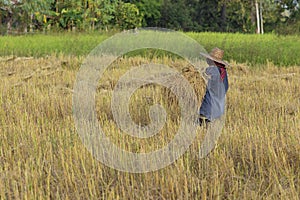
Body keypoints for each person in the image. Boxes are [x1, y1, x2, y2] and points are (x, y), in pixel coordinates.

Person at [198, 47, 229, 126]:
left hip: (212, 96)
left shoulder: (213, 69)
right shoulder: (223, 70)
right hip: (220, 96)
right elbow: (226, 86)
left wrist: (200, 73)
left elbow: (206, 74)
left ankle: (203, 120)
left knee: (206, 111)